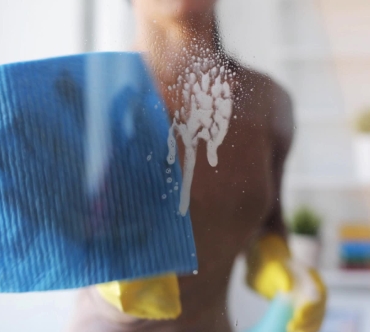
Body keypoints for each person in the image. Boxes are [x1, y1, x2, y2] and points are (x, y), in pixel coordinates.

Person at [68, 1, 326, 331]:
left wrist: (283, 272)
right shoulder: (81, 96)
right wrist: (111, 288)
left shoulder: (268, 103)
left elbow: (265, 227)